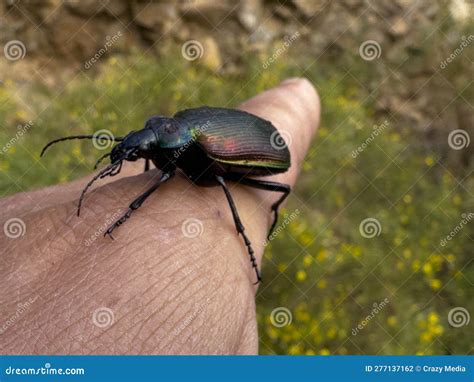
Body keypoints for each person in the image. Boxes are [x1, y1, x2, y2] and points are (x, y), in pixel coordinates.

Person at [0, 78, 320, 354]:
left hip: (263, 151)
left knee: (222, 180)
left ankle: (242, 236)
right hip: (238, 133)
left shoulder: (192, 142)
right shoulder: (174, 136)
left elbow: (180, 175)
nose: (137, 155)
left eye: (141, 151)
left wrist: (129, 211)